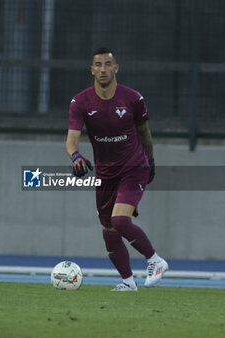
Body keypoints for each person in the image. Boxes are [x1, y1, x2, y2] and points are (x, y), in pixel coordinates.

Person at [66, 48, 168, 291]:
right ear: (92, 69)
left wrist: (151, 162)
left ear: (116, 68)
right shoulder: (80, 101)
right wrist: (76, 156)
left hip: (134, 166)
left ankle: (156, 260)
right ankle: (128, 282)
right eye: (98, 65)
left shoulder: (133, 98)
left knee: (120, 220)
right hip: (105, 173)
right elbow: (71, 141)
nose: (103, 69)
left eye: (107, 64)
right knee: (109, 229)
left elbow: (145, 134)